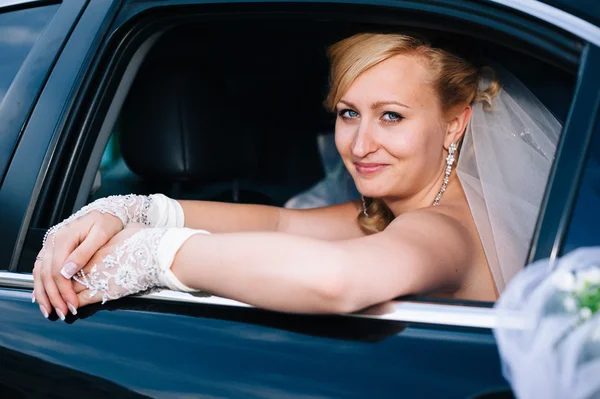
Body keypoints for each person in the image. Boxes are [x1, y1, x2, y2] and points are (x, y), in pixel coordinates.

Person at [32, 32, 558, 321]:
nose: (359, 143)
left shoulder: (444, 228)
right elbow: (283, 225)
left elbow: (337, 280)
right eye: (349, 112)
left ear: (454, 124)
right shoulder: (400, 205)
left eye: (391, 116)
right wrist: (129, 208)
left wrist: (153, 253)